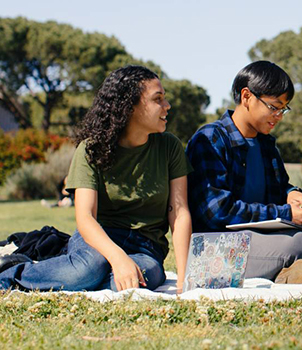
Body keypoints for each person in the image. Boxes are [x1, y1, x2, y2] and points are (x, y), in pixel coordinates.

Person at [0, 65, 192, 292]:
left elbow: (178, 213)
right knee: (90, 270)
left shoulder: (169, 147)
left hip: (146, 248)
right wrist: (119, 259)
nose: (166, 105)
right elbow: (85, 217)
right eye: (157, 99)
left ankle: (58, 270)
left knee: (134, 282)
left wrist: (184, 277)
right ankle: (15, 272)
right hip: (97, 240)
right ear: (129, 107)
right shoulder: (91, 150)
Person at [186, 60, 302, 284]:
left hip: (269, 237)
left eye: (284, 109)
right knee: (297, 244)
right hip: (218, 247)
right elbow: (216, 211)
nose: (279, 116)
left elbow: (281, 187)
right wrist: (284, 213)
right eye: (274, 107)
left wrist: (292, 194)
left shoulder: (266, 145)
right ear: (246, 97)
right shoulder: (210, 139)